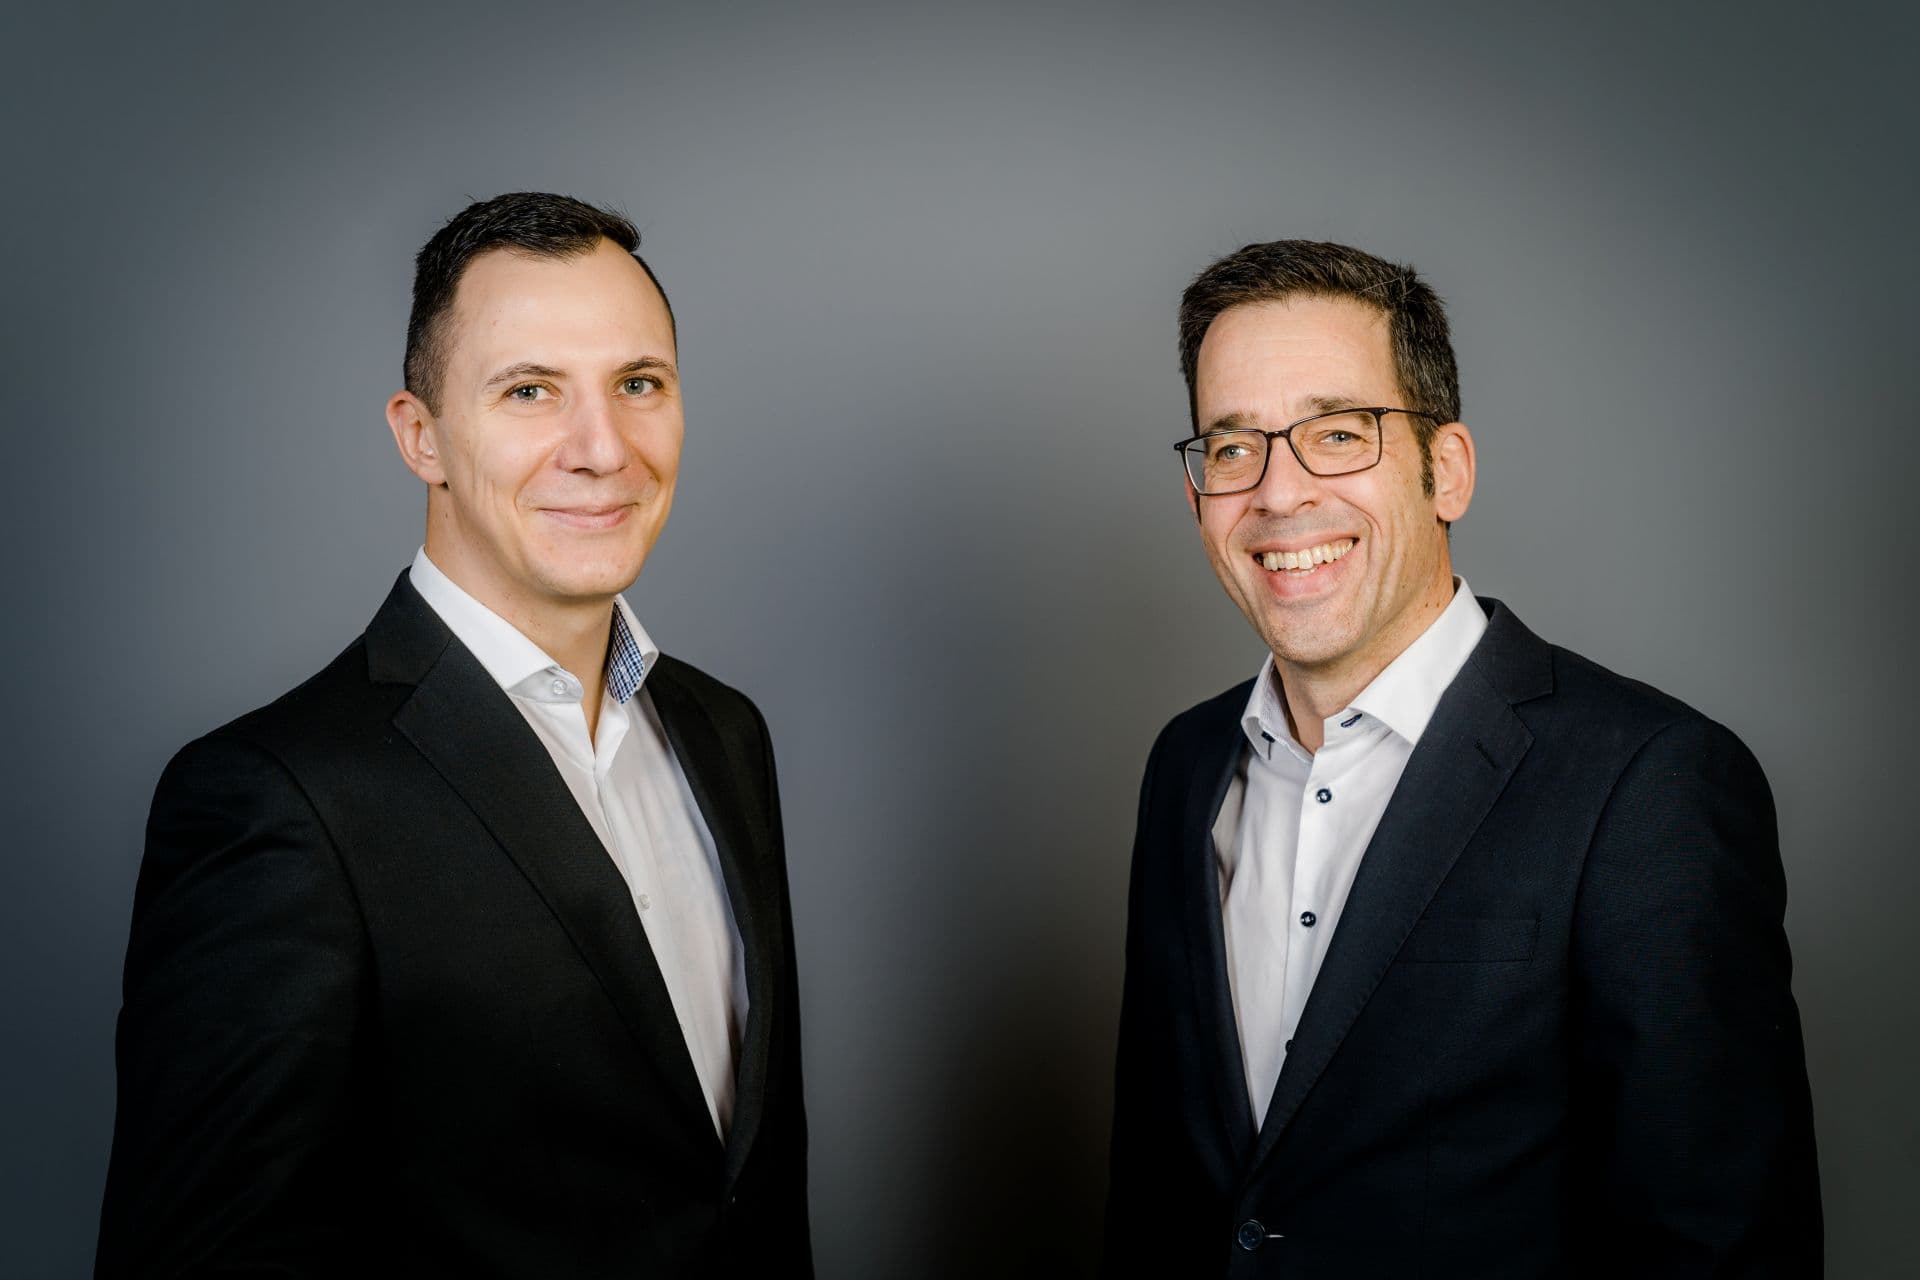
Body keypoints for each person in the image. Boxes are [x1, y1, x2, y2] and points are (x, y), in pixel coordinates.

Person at [97, 193, 811, 1278]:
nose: (601, 447)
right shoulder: (274, 799)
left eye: (639, 385)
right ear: (420, 435)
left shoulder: (724, 732)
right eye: (530, 390)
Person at [1103, 240, 1820, 1276]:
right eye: (1232, 447)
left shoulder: (1651, 782)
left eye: (1337, 434)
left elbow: (1721, 1242)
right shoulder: (1184, 766)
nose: (1278, 492)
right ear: (1198, 493)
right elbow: (1162, 1192)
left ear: (1448, 471)